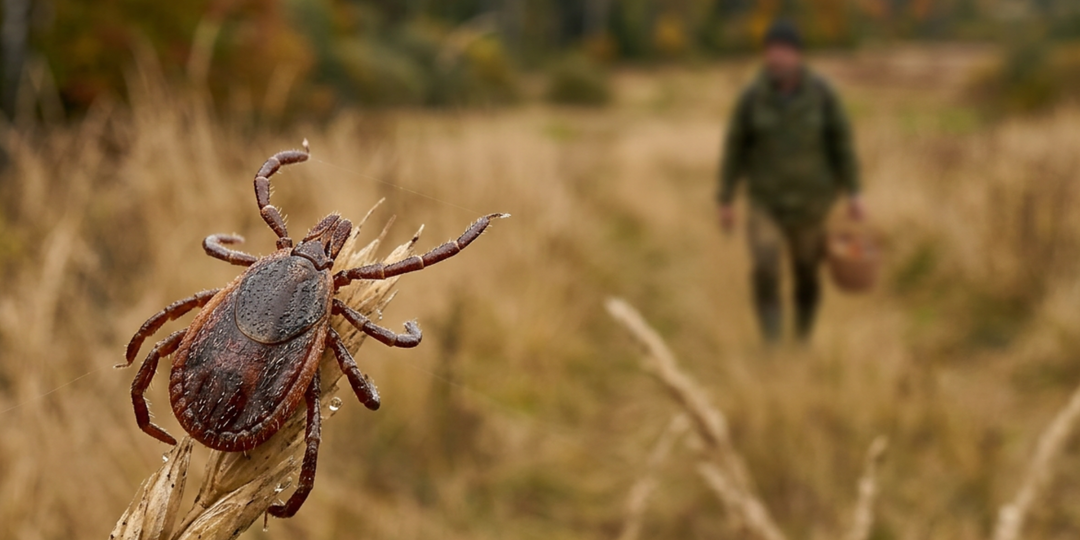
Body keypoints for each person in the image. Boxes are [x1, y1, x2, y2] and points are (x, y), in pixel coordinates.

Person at [717, 20, 863, 343]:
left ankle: (802, 338)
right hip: (765, 202)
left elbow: (843, 144)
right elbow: (734, 148)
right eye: (770, 51)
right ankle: (771, 341)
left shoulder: (823, 95)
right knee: (766, 264)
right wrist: (725, 199)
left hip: (812, 205)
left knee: (807, 273)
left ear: (798, 55)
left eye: (783, 51)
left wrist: (854, 193)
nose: (776, 58)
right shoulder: (752, 97)